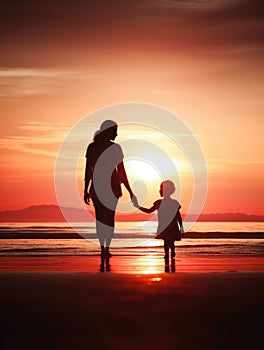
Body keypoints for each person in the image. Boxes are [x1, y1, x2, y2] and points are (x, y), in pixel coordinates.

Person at [84, 120, 137, 257]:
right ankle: (106, 248)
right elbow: (121, 171)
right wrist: (130, 192)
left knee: (100, 219)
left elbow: (89, 170)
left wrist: (86, 189)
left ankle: (103, 248)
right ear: (108, 131)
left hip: (99, 186)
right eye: (115, 131)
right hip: (110, 186)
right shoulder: (114, 148)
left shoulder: (93, 147)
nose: (117, 134)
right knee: (109, 218)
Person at [134, 180, 184, 259]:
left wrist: (138, 206)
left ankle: (168, 254)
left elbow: (149, 211)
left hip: (164, 226)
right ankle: (171, 252)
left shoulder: (159, 203)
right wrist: (181, 228)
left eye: (160, 189)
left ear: (164, 191)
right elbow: (178, 217)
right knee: (170, 241)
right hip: (172, 226)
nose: (159, 191)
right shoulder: (174, 203)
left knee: (166, 241)